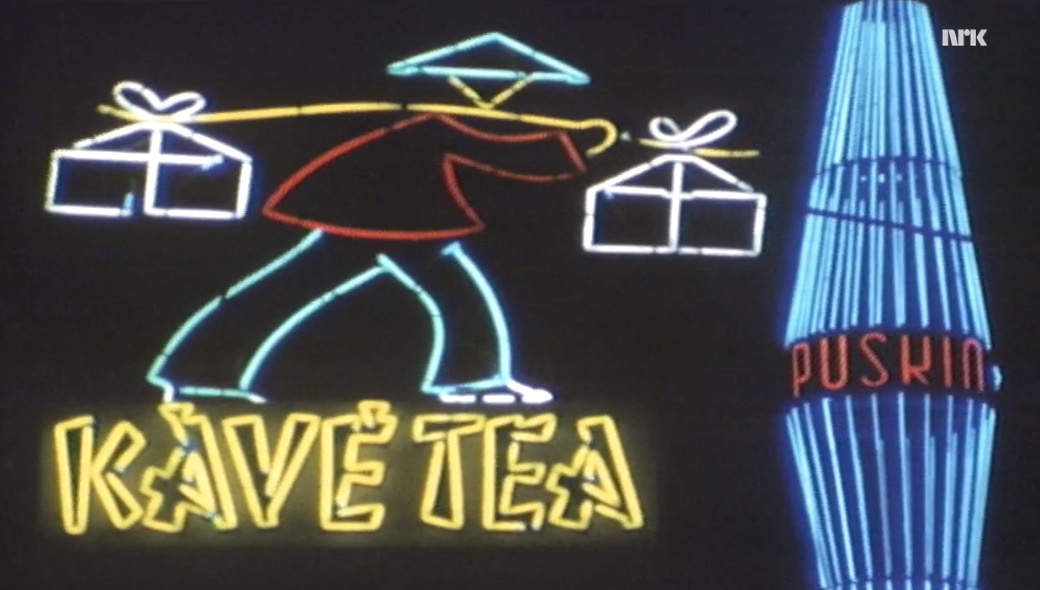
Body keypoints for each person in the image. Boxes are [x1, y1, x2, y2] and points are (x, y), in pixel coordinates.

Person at [147, 112, 591, 405]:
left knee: (286, 289)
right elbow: (502, 153)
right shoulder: (431, 126)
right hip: (395, 221)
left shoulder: (424, 127)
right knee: (458, 297)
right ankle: (473, 381)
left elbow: (500, 151)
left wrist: (572, 145)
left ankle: (199, 374)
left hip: (386, 220)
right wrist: (577, 145)